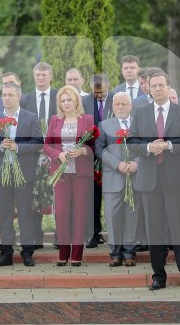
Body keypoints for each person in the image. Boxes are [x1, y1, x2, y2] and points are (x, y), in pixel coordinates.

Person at [129, 70, 180, 290]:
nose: (158, 89)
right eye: (154, 85)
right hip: (150, 180)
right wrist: (149, 147)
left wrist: (168, 145)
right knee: (154, 230)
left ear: (168, 87)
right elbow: (132, 142)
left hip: (176, 180)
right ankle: (158, 276)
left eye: (162, 85)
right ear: (147, 87)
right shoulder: (140, 112)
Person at [0, 82, 43, 267]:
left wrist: (18, 147)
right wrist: (0, 147)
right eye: (4, 95)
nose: (6, 98)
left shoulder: (31, 118)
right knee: (5, 215)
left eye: (10, 95)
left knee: (25, 214)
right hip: (3, 174)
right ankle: (5, 253)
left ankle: (27, 253)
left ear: (19, 96)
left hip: (24, 173)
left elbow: (38, 143)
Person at [44, 85, 95, 266]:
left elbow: (95, 146)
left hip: (81, 173)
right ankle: (64, 252)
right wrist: (58, 155)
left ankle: (77, 254)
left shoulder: (87, 119)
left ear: (76, 101)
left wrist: (82, 150)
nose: (66, 103)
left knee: (80, 212)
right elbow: (47, 145)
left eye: (69, 99)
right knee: (62, 212)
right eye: (63, 100)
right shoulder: (55, 120)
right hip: (61, 173)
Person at [96, 92, 138, 267]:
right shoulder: (104, 125)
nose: (120, 107)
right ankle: (115, 253)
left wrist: (136, 163)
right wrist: (118, 164)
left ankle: (129, 253)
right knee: (112, 217)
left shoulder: (139, 124)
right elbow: (100, 149)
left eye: (124, 104)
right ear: (112, 107)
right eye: (117, 104)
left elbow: (145, 146)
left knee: (131, 215)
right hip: (113, 178)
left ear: (131, 106)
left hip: (135, 178)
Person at [81, 74, 111, 248]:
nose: (98, 96)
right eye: (95, 92)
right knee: (93, 197)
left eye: (101, 92)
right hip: (91, 155)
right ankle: (93, 233)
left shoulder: (116, 99)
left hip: (112, 154)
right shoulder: (85, 101)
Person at [21, 61, 58, 128]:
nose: (40, 78)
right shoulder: (25, 101)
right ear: (34, 77)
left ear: (51, 77)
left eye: (44, 75)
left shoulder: (59, 97)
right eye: (38, 75)